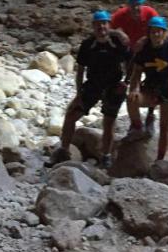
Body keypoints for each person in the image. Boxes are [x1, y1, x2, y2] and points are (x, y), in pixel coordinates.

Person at [51, 10, 131, 168]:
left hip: (113, 85)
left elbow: (130, 63)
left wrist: (126, 82)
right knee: (71, 115)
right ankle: (64, 150)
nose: (101, 27)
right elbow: (80, 70)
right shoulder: (88, 45)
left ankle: (106, 156)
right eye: (98, 24)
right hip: (93, 85)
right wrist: (79, 92)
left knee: (109, 122)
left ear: (109, 25)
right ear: (93, 26)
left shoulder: (118, 42)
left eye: (104, 23)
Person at [127, 16, 168, 161]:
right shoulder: (144, 49)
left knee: (164, 127)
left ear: (164, 33)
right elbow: (137, 72)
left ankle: (160, 160)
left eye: (159, 32)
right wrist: (135, 89)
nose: (156, 35)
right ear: (149, 33)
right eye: (153, 32)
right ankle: (138, 127)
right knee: (132, 99)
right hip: (150, 89)